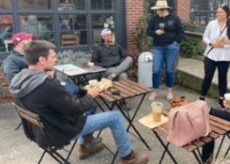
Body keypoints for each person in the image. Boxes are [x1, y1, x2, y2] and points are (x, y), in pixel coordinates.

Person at [9, 40, 148, 164]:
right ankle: (128, 157)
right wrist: (91, 95)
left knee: (89, 107)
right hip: (60, 131)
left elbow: (57, 102)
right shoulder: (47, 84)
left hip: (41, 131)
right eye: (53, 57)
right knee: (115, 117)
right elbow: (75, 109)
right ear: (41, 60)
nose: (55, 60)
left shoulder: (19, 80)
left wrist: (82, 96)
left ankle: (86, 146)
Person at [1, 32, 79, 96]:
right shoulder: (10, 62)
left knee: (73, 87)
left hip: (45, 81)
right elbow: (14, 83)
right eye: (29, 40)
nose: (32, 42)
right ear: (21, 44)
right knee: (71, 89)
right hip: (36, 88)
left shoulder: (30, 53)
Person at [199, 4, 230, 106]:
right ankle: (202, 97)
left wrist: (225, 46)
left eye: (221, 12)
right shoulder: (211, 24)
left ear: (227, 13)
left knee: (222, 77)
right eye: (217, 12)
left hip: (224, 56)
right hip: (211, 55)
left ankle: (222, 98)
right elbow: (205, 37)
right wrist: (210, 43)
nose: (218, 14)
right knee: (208, 76)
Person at [146, 0, 184, 101]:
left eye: (158, 10)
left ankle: (169, 91)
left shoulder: (174, 18)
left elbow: (181, 32)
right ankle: (154, 91)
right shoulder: (154, 19)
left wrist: (176, 42)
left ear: (163, 10)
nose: (156, 12)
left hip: (171, 47)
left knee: (169, 70)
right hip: (158, 47)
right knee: (156, 70)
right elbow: (148, 31)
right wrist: (155, 32)